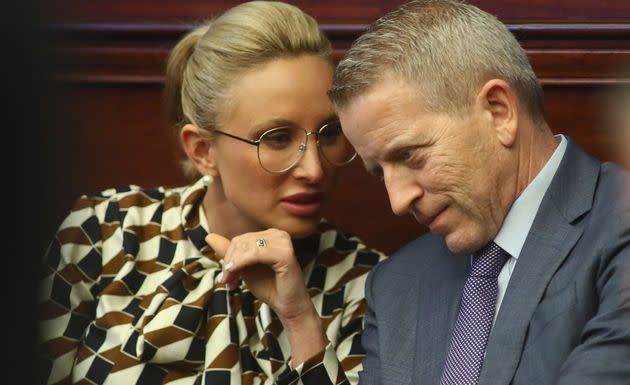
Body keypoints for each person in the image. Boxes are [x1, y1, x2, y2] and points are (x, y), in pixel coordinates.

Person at [38, 2, 387, 384]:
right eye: (277, 138)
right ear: (202, 151)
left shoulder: (369, 284)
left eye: (329, 133)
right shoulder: (107, 232)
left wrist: (300, 318)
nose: (314, 170)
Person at [328, 0, 630, 384]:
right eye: (378, 172)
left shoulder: (618, 224)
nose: (398, 201)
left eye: (409, 155)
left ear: (499, 111)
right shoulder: (395, 287)